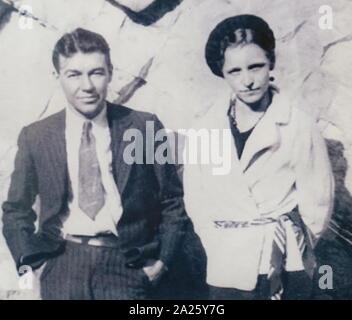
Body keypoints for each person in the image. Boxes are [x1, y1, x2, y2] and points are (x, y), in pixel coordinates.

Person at [2, 28, 188, 300]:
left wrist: (161, 262)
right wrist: (31, 262)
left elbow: (172, 201)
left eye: (96, 73)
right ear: (57, 77)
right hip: (63, 262)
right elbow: (16, 209)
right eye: (74, 74)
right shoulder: (37, 135)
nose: (87, 86)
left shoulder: (144, 127)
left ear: (110, 73)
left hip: (127, 265)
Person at [183, 14, 334, 300]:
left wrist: (291, 241)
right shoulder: (205, 127)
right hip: (227, 262)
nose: (248, 80)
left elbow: (318, 200)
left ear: (271, 63)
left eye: (256, 67)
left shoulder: (297, 124)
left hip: (283, 260)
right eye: (235, 71)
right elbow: (196, 197)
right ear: (222, 73)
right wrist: (216, 242)